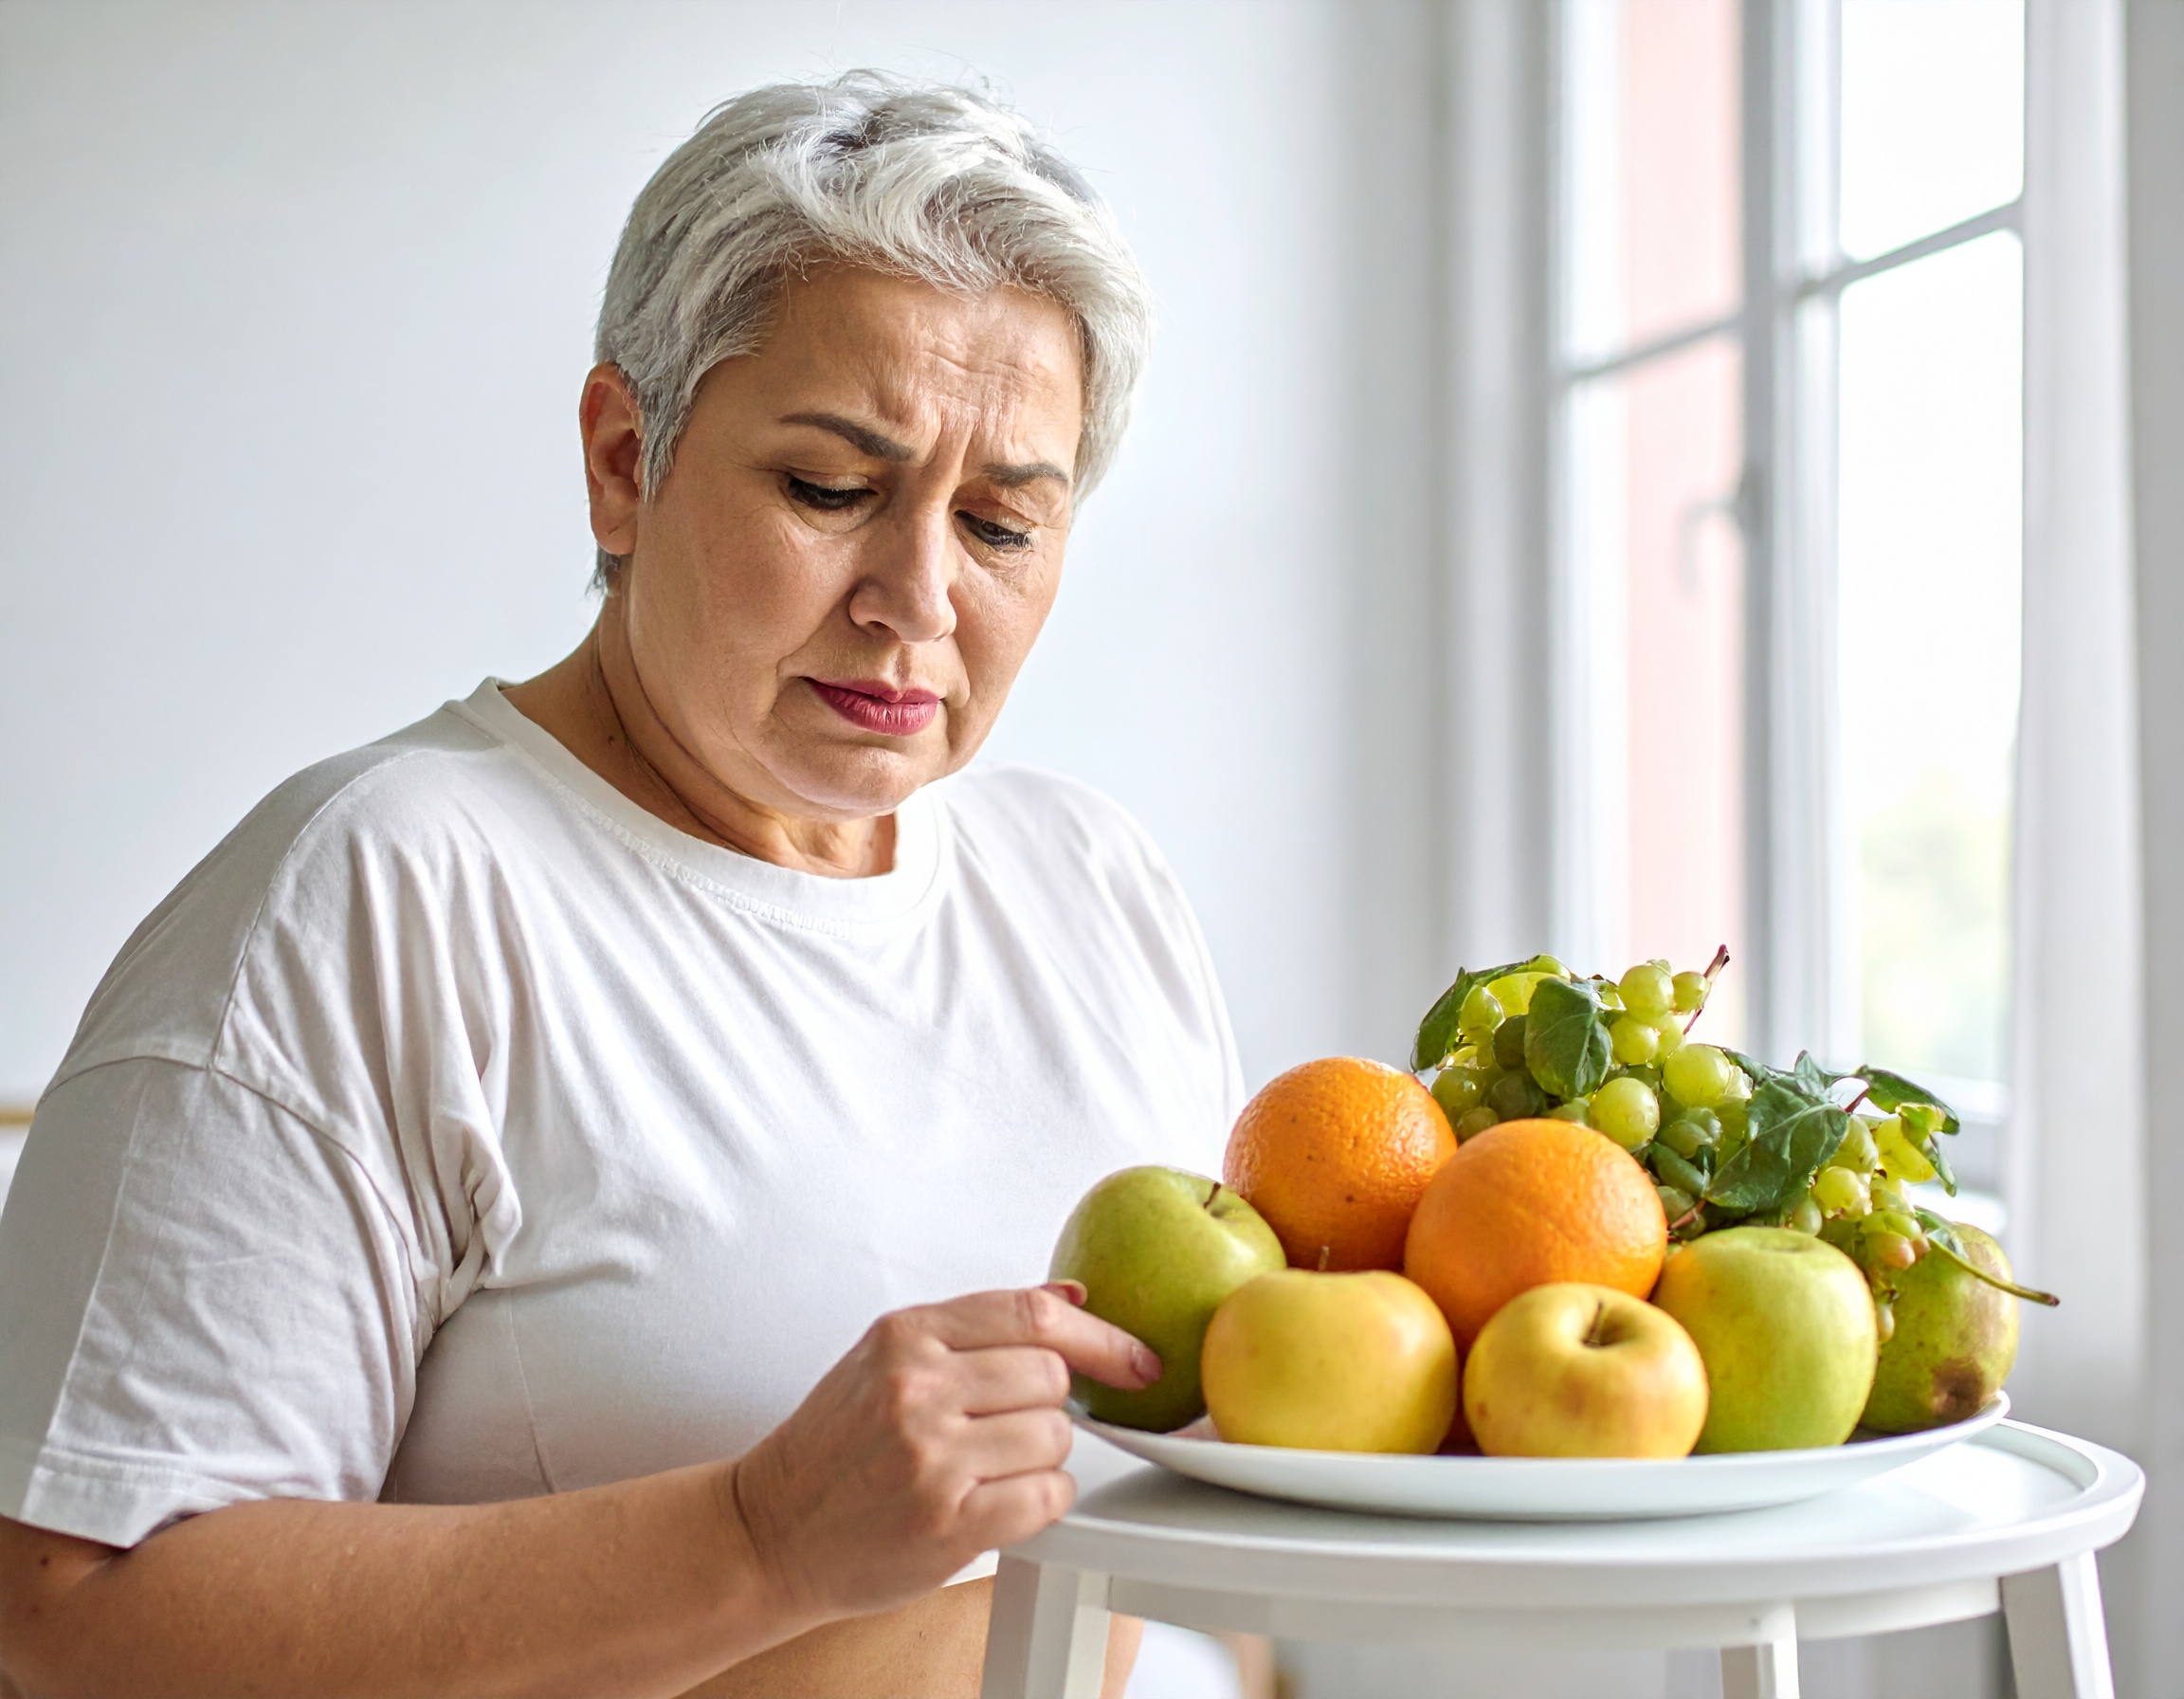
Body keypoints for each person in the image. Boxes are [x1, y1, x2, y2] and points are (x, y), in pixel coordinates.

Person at [0, 74, 1243, 1699]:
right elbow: (72, 1619)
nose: (915, 601)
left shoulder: (1092, 883)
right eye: (830, 489)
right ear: (622, 460)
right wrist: (759, 1536)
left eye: (1004, 523)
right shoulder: (374, 896)